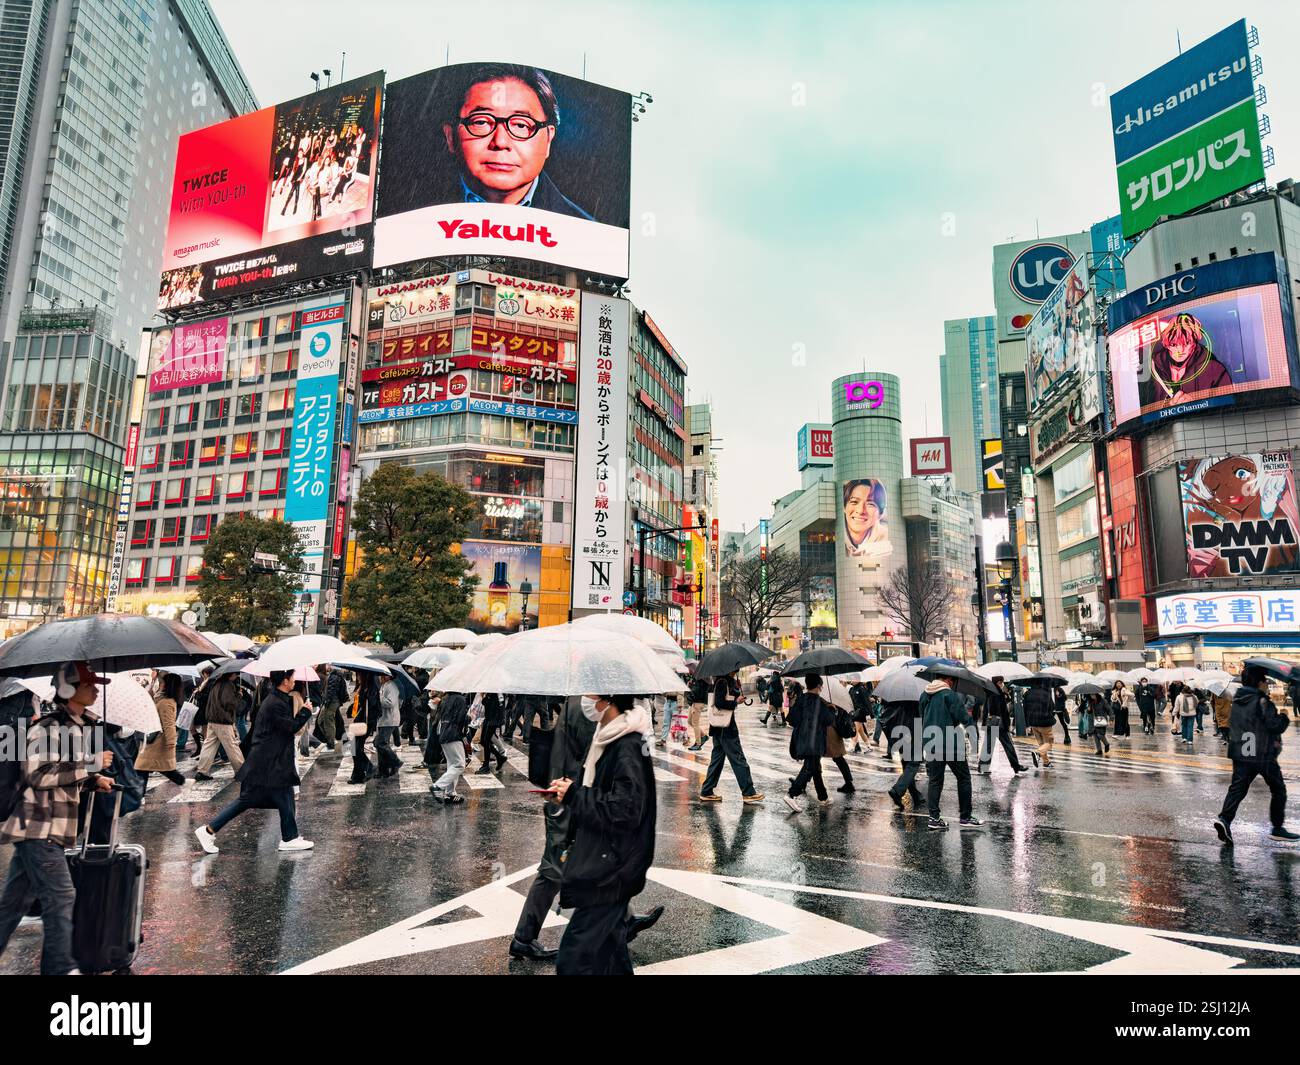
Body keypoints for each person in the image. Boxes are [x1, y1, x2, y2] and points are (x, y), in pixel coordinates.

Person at [0, 662, 115, 975]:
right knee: (61, 897)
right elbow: (37, 775)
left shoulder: (75, 725)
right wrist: (90, 765)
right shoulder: (50, 726)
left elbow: (61, 772)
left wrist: (94, 780)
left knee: (12, 905)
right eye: (88, 684)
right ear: (67, 689)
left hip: (44, 825)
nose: (95, 689)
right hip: (40, 825)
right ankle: (60, 968)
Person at [550, 694, 656, 974]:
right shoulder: (609, 738)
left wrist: (574, 795)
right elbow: (609, 795)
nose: (586, 700)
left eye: (591, 693)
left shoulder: (626, 745)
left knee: (573, 960)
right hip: (608, 862)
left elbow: (623, 811)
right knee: (611, 957)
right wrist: (572, 791)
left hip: (611, 870)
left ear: (606, 700)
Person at [439, 63, 593, 219]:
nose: (500, 142)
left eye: (521, 125)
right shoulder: (418, 215)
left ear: (548, 139)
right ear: (450, 137)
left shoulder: (583, 230)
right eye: (481, 122)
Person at [194, 670, 314, 855]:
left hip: (270, 761)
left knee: (283, 795)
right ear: (284, 681)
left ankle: (290, 837)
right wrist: (305, 711)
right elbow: (290, 727)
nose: (294, 680)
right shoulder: (275, 703)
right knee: (253, 799)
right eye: (292, 677)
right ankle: (208, 830)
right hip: (268, 763)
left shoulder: (277, 699)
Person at [511, 695, 594, 961]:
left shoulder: (577, 702)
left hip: (564, 792)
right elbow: (593, 752)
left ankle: (620, 920)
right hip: (565, 796)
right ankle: (523, 937)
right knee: (553, 870)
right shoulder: (586, 706)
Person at [1213, 666, 1297, 846]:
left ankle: (1225, 819)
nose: (1267, 684)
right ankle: (1277, 828)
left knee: (1237, 789)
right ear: (1259, 683)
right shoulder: (1262, 701)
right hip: (1262, 754)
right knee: (1278, 789)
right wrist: (1283, 716)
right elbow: (1275, 726)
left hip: (1241, 752)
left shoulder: (1238, 700)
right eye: (1265, 680)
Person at [920, 675, 982, 831]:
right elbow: (963, 717)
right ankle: (965, 817)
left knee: (935, 781)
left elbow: (922, 716)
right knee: (964, 778)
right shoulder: (949, 695)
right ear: (947, 680)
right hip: (950, 743)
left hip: (931, 741)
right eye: (952, 681)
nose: (953, 684)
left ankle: (934, 819)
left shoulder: (924, 694)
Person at [1137, 312, 1232, 410]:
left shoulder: (1214, 369)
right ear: (1166, 344)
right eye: (1174, 344)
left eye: (1186, 343)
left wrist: (1198, 405)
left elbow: (1227, 405)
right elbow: (1143, 410)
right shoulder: (1151, 368)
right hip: (1166, 424)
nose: (1180, 350)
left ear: (1194, 342)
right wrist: (1167, 406)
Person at [697, 671, 764, 805]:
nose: (738, 669)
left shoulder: (722, 681)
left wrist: (737, 693)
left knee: (716, 762)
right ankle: (748, 792)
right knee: (738, 759)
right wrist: (735, 702)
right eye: (736, 668)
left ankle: (706, 791)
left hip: (719, 727)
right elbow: (719, 703)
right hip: (725, 729)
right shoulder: (722, 682)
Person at [782, 673, 835, 812]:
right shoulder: (820, 703)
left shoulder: (801, 700)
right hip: (815, 741)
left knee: (816, 768)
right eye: (821, 686)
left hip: (802, 740)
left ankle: (823, 797)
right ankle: (791, 794)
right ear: (818, 686)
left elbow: (792, 720)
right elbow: (829, 721)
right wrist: (832, 709)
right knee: (809, 768)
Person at [135, 671, 187, 793]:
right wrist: (152, 681)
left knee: (142, 767)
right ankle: (183, 782)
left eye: (162, 682)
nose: (160, 684)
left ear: (168, 685)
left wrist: (171, 741)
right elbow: (150, 699)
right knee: (156, 767)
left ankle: (139, 795)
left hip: (158, 741)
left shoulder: (166, 702)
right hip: (155, 740)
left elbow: (169, 724)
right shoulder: (162, 697)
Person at [195, 673, 245, 780]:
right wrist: (239, 696)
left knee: (209, 745)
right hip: (223, 720)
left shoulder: (216, 683)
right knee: (232, 746)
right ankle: (241, 771)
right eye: (235, 675)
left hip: (213, 719)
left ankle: (202, 771)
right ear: (231, 675)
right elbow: (229, 703)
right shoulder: (228, 685)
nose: (236, 677)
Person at [427, 689, 470, 804]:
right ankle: (438, 786)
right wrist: (469, 717)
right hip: (453, 735)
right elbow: (460, 719)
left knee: (452, 764)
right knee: (460, 765)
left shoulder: (445, 699)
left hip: (444, 735)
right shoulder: (460, 699)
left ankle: (450, 793)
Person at [882, 701, 926, 811]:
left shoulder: (898, 700)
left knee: (907, 765)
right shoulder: (919, 701)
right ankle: (897, 790)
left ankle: (916, 796)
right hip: (914, 734)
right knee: (913, 765)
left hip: (900, 734)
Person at [982, 677, 1029, 774]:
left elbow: (986, 710)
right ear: (998, 682)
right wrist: (1006, 723)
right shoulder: (996, 693)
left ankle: (983, 766)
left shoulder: (992, 691)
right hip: (999, 724)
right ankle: (1016, 766)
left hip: (992, 723)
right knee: (1008, 745)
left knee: (988, 746)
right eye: (1001, 682)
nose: (1002, 684)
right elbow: (998, 709)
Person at [842, 479, 891, 558]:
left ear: (880, 514)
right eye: (854, 502)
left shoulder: (886, 542)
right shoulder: (836, 537)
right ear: (844, 507)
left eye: (870, 504)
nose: (861, 510)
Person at [1023, 682, 1057, 769]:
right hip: (1044, 722)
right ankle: (1037, 753)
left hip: (1033, 722)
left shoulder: (1027, 694)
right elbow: (1052, 707)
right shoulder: (1045, 694)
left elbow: (1025, 709)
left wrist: (1027, 723)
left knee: (1042, 744)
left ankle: (1046, 762)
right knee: (1049, 742)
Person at [375, 675, 402, 778]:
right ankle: (383, 770)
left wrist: (378, 699)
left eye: (384, 675)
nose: (381, 677)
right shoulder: (384, 685)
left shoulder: (392, 686)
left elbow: (390, 703)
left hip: (390, 719)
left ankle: (396, 761)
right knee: (379, 744)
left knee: (380, 743)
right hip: (383, 719)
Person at [477, 692, 508, 773]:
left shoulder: (496, 692)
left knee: (486, 741)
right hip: (489, 719)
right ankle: (499, 758)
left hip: (493, 720)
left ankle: (486, 766)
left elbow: (489, 704)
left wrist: (484, 696)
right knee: (483, 741)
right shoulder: (493, 692)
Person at [686, 673, 711, 749]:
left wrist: (691, 686)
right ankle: (703, 736)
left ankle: (698, 744)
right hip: (694, 702)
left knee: (695, 723)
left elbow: (696, 691)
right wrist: (690, 684)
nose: (689, 671)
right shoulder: (696, 678)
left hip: (698, 702)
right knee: (689, 721)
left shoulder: (702, 678)